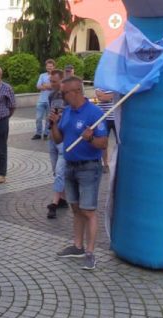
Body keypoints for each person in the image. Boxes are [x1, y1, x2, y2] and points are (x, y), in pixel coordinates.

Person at [49, 76, 108, 270]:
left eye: (64, 93)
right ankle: (77, 246)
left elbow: (103, 143)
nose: (62, 97)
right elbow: (58, 140)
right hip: (70, 166)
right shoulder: (67, 112)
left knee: (88, 211)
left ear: (76, 92)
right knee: (75, 209)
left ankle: (90, 253)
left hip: (89, 167)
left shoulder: (94, 113)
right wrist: (54, 125)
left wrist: (90, 139)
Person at [45, 69, 69, 219]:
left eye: (54, 81)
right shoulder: (51, 96)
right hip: (52, 136)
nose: (51, 84)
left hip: (64, 138)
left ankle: (54, 203)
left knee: (60, 172)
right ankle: (63, 199)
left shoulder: (68, 96)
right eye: (51, 81)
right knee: (56, 171)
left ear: (61, 80)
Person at [94, 87, 119, 174]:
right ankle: (105, 164)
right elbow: (101, 98)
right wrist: (113, 95)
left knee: (120, 143)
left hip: (116, 117)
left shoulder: (115, 84)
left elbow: (105, 96)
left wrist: (106, 95)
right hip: (104, 118)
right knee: (103, 143)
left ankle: (119, 163)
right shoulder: (100, 85)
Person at [32, 59, 55, 140]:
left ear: (54, 67)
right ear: (46, 67)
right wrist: (48, 86)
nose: (49, 68)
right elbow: (38, 86)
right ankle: (38, 133)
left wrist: (45, 85)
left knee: (48, 119)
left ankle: (46, 134)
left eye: (51, 66)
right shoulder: (42, 75)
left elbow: (54, 86)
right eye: (48, 66)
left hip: (51, 101)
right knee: (38, 118)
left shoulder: (55, 76)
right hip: (41, 100)